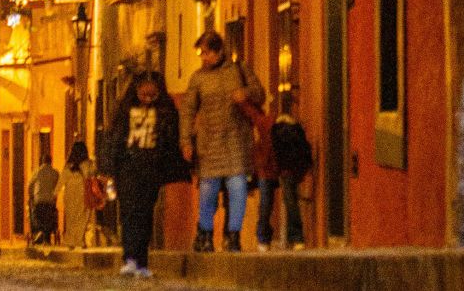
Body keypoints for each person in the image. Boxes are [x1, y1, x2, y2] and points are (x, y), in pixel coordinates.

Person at [181, 30, 266, 252]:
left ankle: (233, 234)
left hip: (236, 139)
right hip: (209, 142)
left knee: (237, 186)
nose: (203, 57)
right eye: (201, 53)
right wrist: (186, 140)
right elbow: (188, 110)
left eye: (207, 52)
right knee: (208, 188)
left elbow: (260, 93)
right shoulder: (197, 78)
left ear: (219, 51)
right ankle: (206, 233)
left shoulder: (239, 70)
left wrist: (245, 93)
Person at [100, 70, 190, 279]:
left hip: (151, 169)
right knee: (130, 213)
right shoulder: (123, 113)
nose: (148, 100)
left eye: (153, 96)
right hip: (127, 169)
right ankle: (130, 257)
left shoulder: (166, 112)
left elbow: (169, 141)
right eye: (144, 96)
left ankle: (141, 260)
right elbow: (113, 140)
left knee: (146, 214)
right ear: (136, 92)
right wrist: (107, 169)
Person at [255, 103, 312, 251]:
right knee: (287, 199)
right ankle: (295, 237)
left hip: (275, 168)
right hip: (274, 168)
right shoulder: (292, 129)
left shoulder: (269, 125)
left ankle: (264, 239)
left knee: (267, 202)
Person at [60, 142, 95, 248]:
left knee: (71, 218)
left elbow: (62, 179)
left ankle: (72, 241)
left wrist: (55, 193)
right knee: (83, 216)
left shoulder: (68, 165)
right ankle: (80, 239)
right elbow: (93, 175)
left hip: (69, 193)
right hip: (83, 192)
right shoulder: (88, 164)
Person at [27, 153, 61, 245]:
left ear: (42, 161)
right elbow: (58, 186)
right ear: (51, 162)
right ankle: (46, 238)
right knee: (50, 218)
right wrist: (54, 196)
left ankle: (39, 231)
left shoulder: (36, 172)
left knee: (35, 214)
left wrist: (31, 197)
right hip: (50, 201)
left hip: (38, 200)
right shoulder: (55, 173)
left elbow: (29, 186)